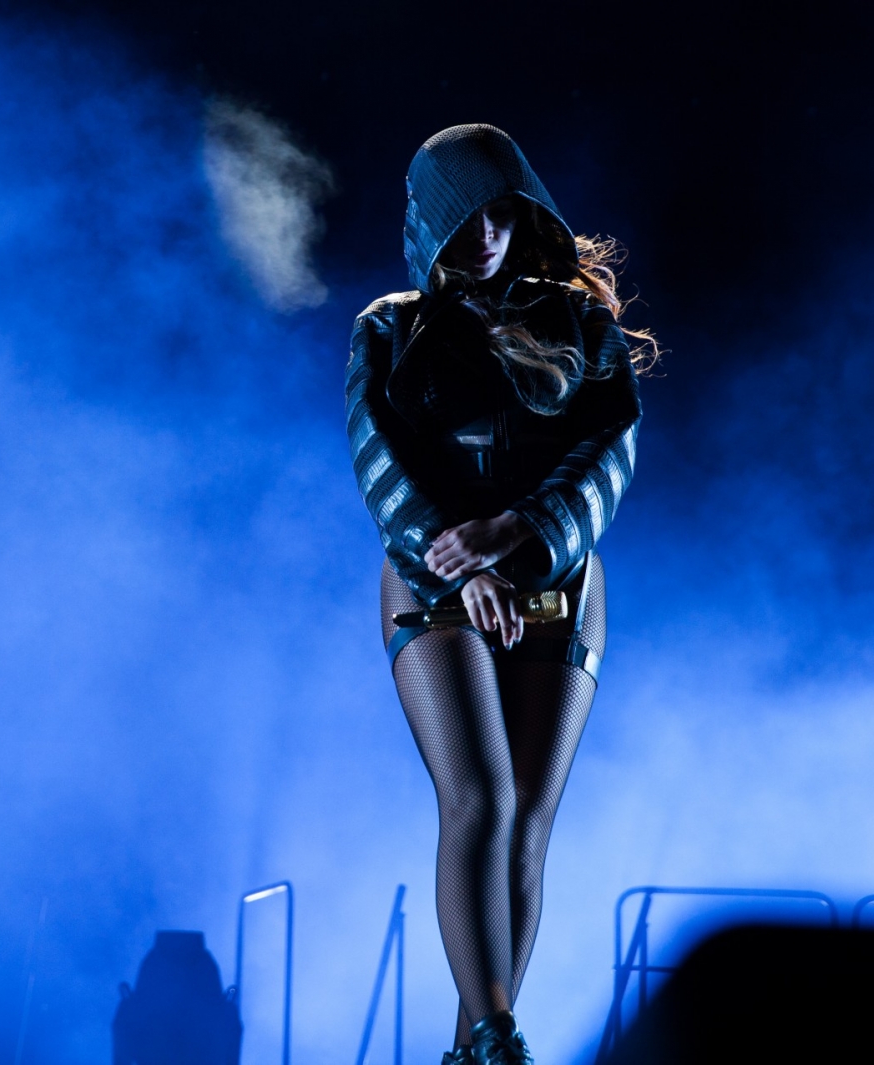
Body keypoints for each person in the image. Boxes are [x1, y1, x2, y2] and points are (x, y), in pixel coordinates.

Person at [347, 125, 654, 1065]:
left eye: (497, 214)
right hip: (434, 580)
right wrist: (470, 568)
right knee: (476, 798)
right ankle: (494, 1030)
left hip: (559, 582)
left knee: (528, 818)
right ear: (427, 220)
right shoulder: (388, 328)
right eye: (461, 217)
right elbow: (382, 471)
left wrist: (523, 536)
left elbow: (610, 452)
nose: (482, 234)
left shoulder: (580, 325)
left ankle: (471, 1049)